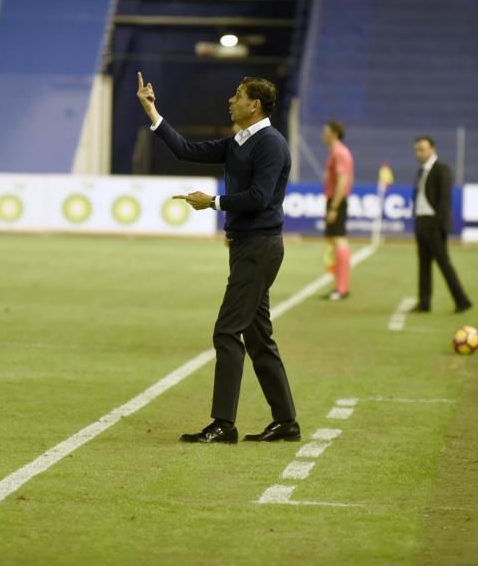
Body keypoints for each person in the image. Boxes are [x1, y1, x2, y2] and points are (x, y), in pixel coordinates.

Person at [135, 72, 299, 444]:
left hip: (260, 248)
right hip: (246, 246)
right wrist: (152, 112)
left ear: (254, 105)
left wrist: (213, 202)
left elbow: (259, 197)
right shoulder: (239, 141)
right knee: (258, 337)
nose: (230, 99)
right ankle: (286, 422)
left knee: (227, 331)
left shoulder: (271, 144)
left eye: (237, 95)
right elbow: (185, 150)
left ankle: (224, 423)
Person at [411, 136, 471, 313]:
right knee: (423, 265)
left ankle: (462, 300)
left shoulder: (442, 169)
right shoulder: (421, 171)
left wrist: (438, 222)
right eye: (417, 150)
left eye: (422, 149)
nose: (419, 153)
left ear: (432, 149)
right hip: (421, 221)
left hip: (434, 223)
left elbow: (445, 200)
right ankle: (424, 302)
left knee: (444, 263)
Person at [320, 120, 353, 301]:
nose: (322, 135)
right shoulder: (338, 151)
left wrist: (334, 206)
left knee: (339, 240)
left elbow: (342, 180)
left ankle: (341, 288)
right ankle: (340, 285)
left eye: (325, 131)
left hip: (337, 199)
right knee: (336, 240)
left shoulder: (339, 152)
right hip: (336, 199)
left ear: (334, 133)